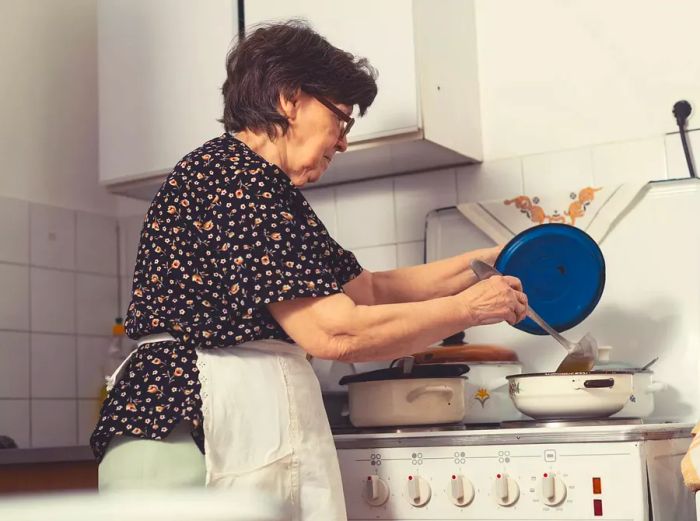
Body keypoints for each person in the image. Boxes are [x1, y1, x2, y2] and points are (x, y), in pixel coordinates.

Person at [90, 20, 527, 520]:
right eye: (341, 119)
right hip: (182, 438)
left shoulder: (266, 192)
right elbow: (334, 331)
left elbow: (370, 291)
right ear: (289, 98)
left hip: (199, 433)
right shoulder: (233, 179)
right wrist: (468, 309)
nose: (342, 143)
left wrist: (490, 263)